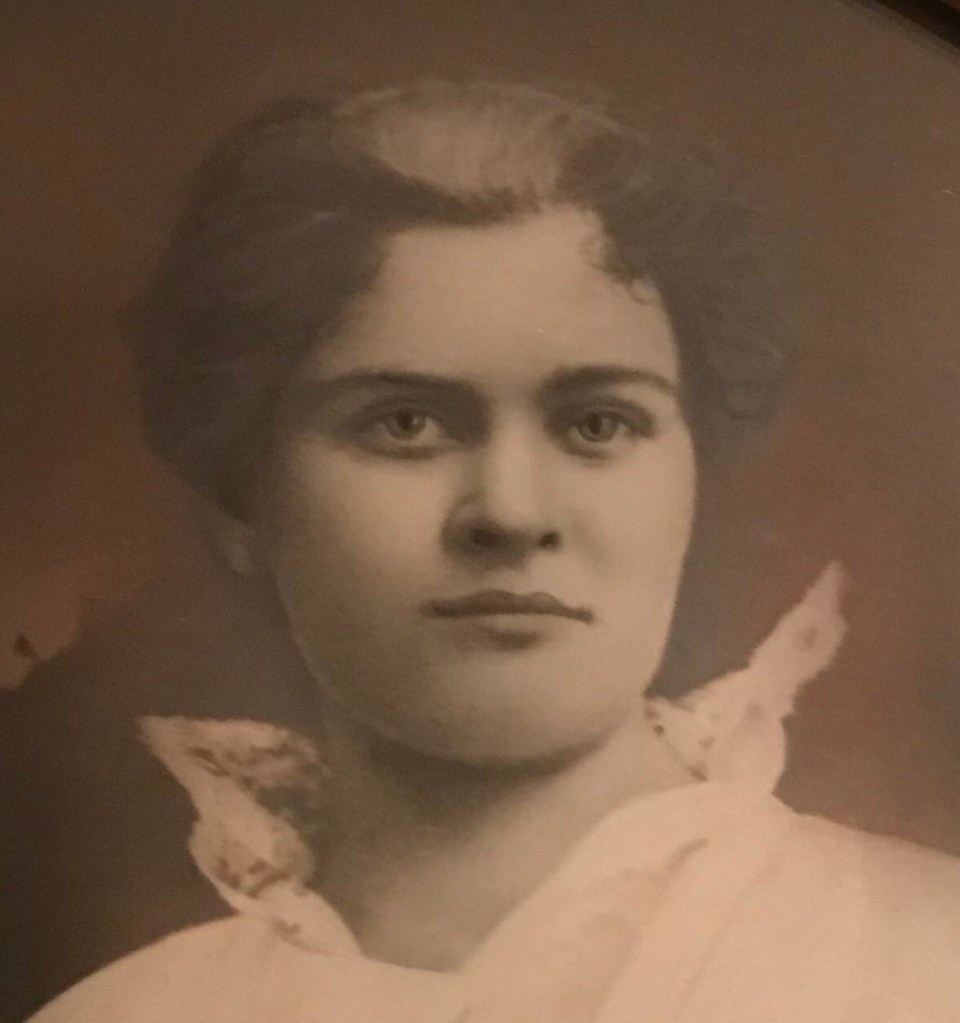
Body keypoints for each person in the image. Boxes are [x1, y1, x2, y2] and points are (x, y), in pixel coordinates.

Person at [24, 79, 960, 1022]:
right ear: (241, 505)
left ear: (693, 479)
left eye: (598, 423)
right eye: (406, 422)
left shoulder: (927, 959)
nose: (510, 512)